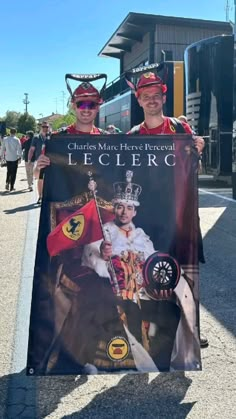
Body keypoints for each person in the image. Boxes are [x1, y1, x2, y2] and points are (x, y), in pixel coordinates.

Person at [82, 170, 199, 371]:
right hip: (112, 294)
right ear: (114, 208)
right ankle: (113, 363)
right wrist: (102, 252)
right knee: (129, 310)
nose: (124, 212)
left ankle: (162, 365)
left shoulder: (141, 236)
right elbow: (89, 258)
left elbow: (154, 267)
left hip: (142, 294)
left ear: (135, 212)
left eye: (129, 208)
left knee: (172, 311)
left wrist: (160, 287)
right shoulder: (104, 231)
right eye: (119, 207)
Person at [126, 70, 208, 348]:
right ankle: (155, 340)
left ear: (163, 97)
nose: (152, 100)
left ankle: (189, 332)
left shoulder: (181, 130)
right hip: (148, 221)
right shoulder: (132, 136)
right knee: (150, 279)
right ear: (139, 100)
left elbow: (193, 167)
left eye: (156, 95)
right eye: (145, 96)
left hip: (179, 217)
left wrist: (198, 148)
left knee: (185, 278)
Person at [28, 121, 51, 203]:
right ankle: (40, 196)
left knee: (50, 180)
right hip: (40, 162)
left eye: (47, 127)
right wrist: (29, 160)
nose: (45, 129)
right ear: (41, 127)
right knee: (40, 179)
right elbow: (32, 149)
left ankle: (48, 196)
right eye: (44, 127)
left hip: (50, 162)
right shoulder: (36, 138)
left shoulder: (52, 137)